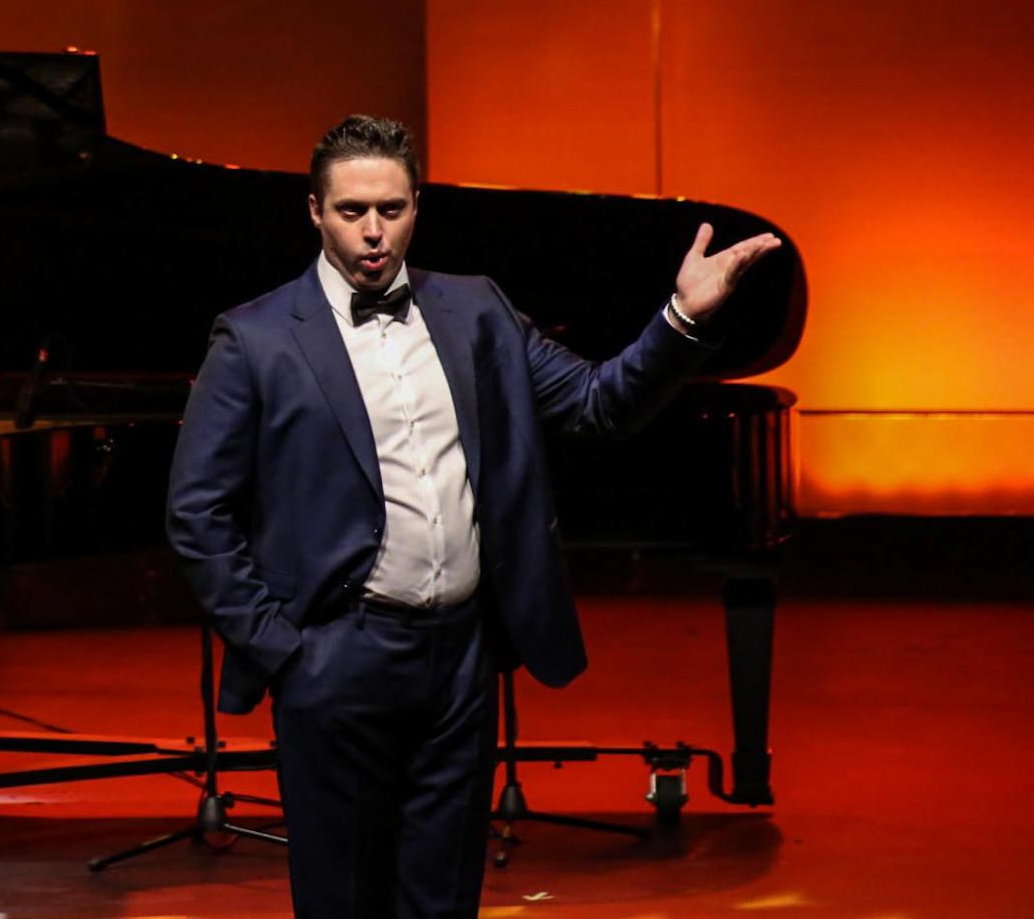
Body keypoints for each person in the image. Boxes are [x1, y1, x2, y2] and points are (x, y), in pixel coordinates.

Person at [166, 116, 780, 918]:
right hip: (335, 656)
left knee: (445, 896)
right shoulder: (255, 339)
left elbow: (599, 405)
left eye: (391, 208)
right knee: (343, 898)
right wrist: (286, 654)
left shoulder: (475, 311)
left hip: (458, 657)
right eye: (352, 211)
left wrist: (682, 318)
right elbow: (197, 513)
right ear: (314, 212)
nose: (374, 230)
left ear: (417, 206)